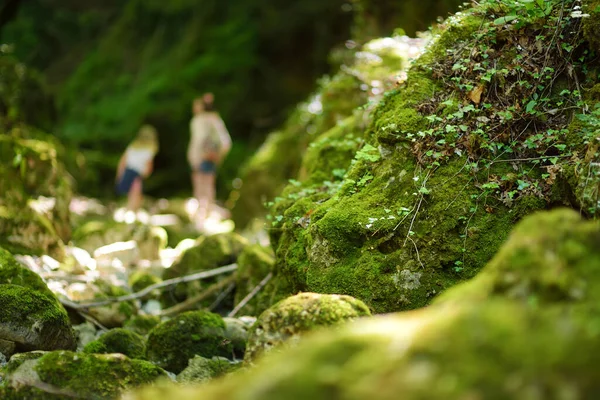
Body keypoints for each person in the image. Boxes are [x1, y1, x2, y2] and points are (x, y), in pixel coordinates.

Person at [187, 93, 232, 230]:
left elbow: (199, 141)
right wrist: (219, 156)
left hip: (202, 158)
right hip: (207, 158)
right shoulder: (213, 119)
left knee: (202, 186)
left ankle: (201, 219)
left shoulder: (200, 120)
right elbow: (226, 143)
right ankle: (206, 216)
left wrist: (196, 156)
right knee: (207, 185)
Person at [115, 125, 159, 211]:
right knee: (136, 193)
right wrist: (147, 172)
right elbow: (148, 163)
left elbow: (123, 160)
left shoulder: (133, 146)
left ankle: (131, 209)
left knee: (131, 192)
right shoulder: (150, 148)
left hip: (128, 170)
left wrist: (120, 173)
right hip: (137, 172)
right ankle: (132, 210)